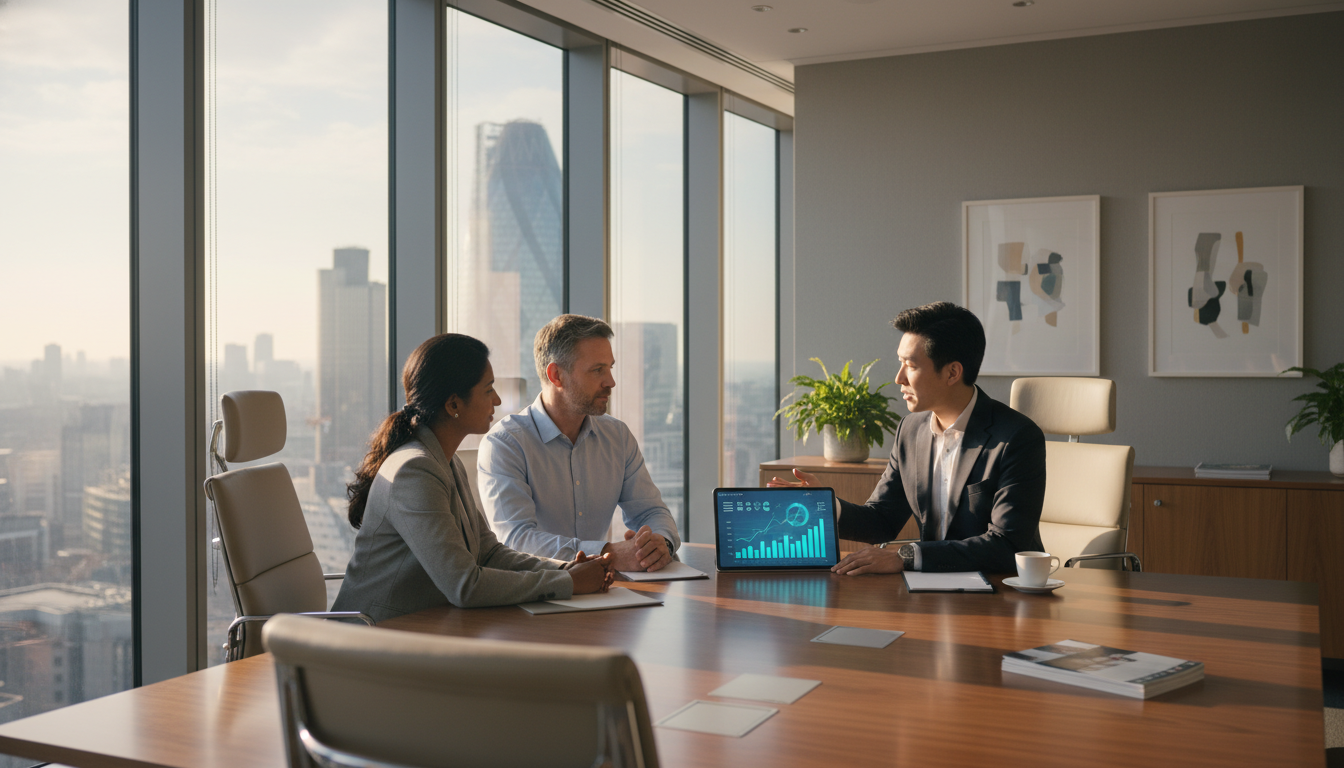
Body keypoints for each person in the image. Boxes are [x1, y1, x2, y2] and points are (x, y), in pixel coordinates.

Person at [332, 333, 614, 623]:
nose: (498, 399)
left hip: (419, 629)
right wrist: (569, 583)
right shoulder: (414, 471)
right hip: (368, 642)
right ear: (454, 405)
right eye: (488, 389)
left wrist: (565, 569)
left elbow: (488, 553)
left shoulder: (444, 460)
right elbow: (464, 586)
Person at [770, 302, 1046, 574]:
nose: (898, 378)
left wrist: (907, 557)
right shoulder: (910, 430)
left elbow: (1007, 545)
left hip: (998, 593)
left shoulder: (1016, 438)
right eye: (900, 362)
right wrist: (826, 504)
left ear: (952, 372)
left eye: (910, 365)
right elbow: (882, 520)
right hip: (930, 590)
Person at [480, 314, 680, 572]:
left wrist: (660, 544)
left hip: (601, 592)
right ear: (556, 375)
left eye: (610, 368)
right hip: (535, 597)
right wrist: (607, 554)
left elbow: (652, 511)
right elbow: (517, 540)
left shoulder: (617, 436)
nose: (611, 382)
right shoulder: (505, 444)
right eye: (598, 370)